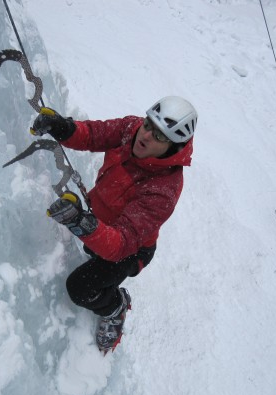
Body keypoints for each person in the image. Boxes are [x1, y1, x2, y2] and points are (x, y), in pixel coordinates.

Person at [30, 96, 198, 353]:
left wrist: (81, 224)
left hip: (131, 249)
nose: (147, 135)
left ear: (174, 147)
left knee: (80, 288)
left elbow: (120, 244)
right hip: (101, 220)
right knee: (92, 249)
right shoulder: (132, 129)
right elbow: (94, 135)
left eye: (160, 136)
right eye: (149, 124)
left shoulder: (163, 189)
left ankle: (115, 308)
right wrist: (62, 127)